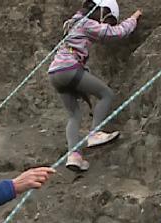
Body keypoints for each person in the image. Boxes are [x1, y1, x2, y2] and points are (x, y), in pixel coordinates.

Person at [48, 0, 141, 172]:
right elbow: (116, 33)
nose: (105, 22)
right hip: (70, 68)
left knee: (74, 115)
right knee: (106, 94)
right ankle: (95, 133)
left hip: (55, 73)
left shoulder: (72, 23)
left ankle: (74, 156)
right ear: (100, 9)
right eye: (107, 18)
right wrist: (133, 19)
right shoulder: (86, 23)